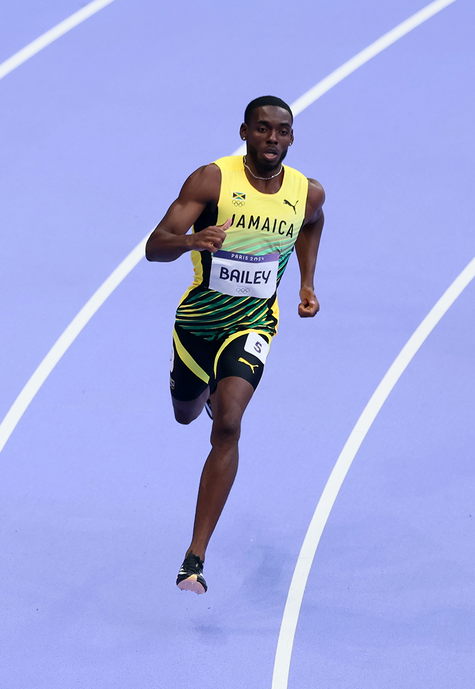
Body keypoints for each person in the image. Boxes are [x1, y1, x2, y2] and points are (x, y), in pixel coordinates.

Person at [144, 95, 325, 594]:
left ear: (291, 137)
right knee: (186, 413)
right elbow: (153, 247)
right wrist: (190, 242)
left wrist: (306, 282)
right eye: (263, 129)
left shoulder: (306, 192)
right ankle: (203, 395)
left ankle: (194, 557)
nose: (273, 138)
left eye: (282, 131)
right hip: (199, 325)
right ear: (244, 132)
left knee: (228, 425)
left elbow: (313, 224)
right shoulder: (211, 180)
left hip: (254, 323)